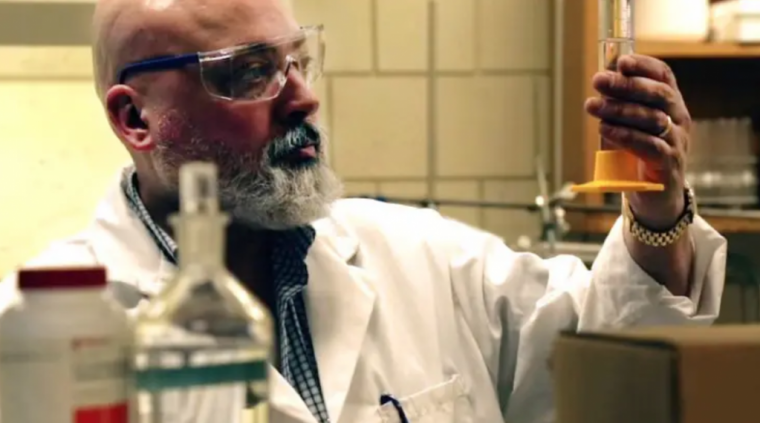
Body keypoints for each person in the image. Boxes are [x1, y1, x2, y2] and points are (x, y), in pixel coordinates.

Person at [1, 0, 726, 422]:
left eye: (299, 62)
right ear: (136, 119)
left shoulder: (422, 258)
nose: (302, 98)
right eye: (252, 73)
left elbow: (610, 363)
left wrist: (654, 204)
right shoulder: (44, 334)